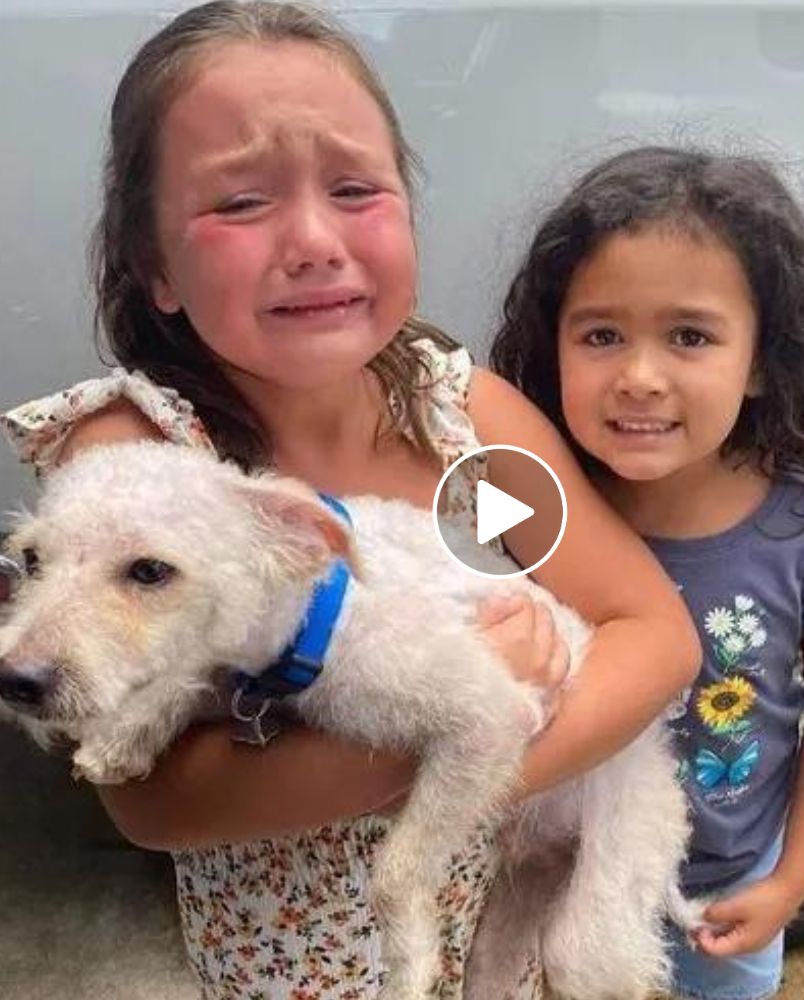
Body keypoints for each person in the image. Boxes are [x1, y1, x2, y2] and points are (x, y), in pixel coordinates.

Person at [0, 8, 701, 999]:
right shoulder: (149, 463)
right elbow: (153, 803)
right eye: (241, 201)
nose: (314, 240)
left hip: (467, 924)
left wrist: (484, 737)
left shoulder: (465, 431)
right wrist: (457, 724)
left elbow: (653, 633)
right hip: (287, 963)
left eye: (356, 189)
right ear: (154, 264)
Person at [490, 145, 804, 1000]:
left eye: (690, 336)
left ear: (760, 359)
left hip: (718, 903)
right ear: (553, 344)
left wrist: (792, 882)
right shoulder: (527, 510)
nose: (640, 377)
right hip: (547, 887)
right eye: (602, 335)